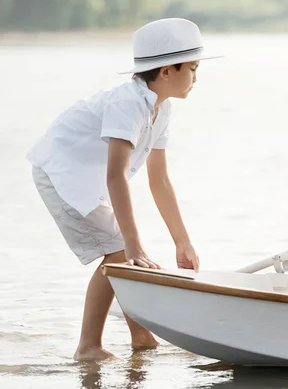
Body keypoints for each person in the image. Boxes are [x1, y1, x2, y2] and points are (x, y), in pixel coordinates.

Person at [26, 18, 221, 361]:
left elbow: (158, 180)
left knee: (131, 257)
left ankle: (141, 338)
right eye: (191, 68)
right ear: (165, 71)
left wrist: (182, 241)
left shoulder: (161, 109)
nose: (196, 77)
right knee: (120, 253)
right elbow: (115, 176)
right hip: (61, 176)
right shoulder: (127, 104)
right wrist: (132, 244)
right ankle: (88, 348)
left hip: (87, 180)